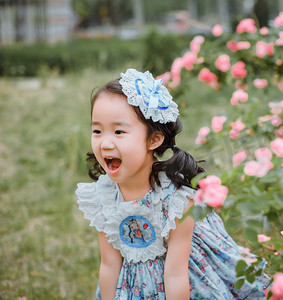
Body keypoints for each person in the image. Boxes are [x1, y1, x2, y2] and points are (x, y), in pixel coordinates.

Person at [76, 69, 270, 299]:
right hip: (131, 286)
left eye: (119, 131)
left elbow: (176, 274)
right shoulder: (104, 196)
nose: (105, 143)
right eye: (97, 130)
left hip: (184, 279)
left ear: (154, 139)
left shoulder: (176, 199)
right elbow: (109, 265)